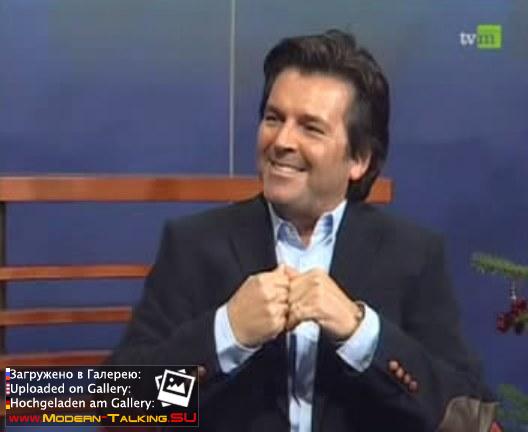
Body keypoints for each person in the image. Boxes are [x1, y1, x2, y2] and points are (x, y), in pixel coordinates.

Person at [111, 30, 495, 431]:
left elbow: (469, 420)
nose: (281, 141)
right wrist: (226, 333)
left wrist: (362, 334)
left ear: (359, 159)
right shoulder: (194, 245)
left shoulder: (412, 255)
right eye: (274, 118)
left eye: (311, 128)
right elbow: (120, 406)